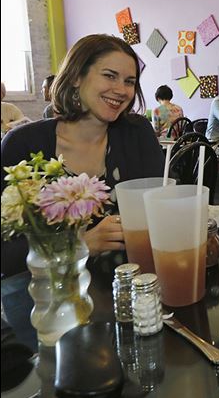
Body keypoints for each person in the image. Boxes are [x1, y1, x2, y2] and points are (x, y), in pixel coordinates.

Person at [1, 34, 164, 277]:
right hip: (54, 292)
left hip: (136, 285)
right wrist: (80, 244)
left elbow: (164, 210)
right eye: (109, 76)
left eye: (129, 81)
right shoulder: (22, 145)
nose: (121, 90)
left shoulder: (137, 133)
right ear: (76, 76)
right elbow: (6, 255)